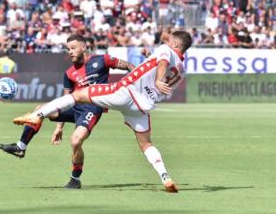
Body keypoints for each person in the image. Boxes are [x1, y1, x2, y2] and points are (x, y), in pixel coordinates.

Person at [12, 31, 193, 193]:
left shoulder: (165, 51)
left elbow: (162, 63)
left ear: (176, 45)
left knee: (78, 94)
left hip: (126, 92)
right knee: (146, 144)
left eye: (170, 41)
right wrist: (150, 60)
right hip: (142, 107)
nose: (167, 42)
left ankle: (37, 116)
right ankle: (165, 177)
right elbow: (158, 70)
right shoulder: (181, 70)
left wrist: (159, 78)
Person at [0, 34, 134, 189]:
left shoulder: (102, 60)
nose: (70, 52)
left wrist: (137, 81)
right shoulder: (69, 73)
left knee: (76, 141)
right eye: (68, 49)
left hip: (92, 108)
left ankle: (75, 180)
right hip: (74, 107)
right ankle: (21, 147)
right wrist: (59, 127)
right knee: (39, 110)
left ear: (84, 47)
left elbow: (128, 65)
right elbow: (63, 101)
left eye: (73, 48)